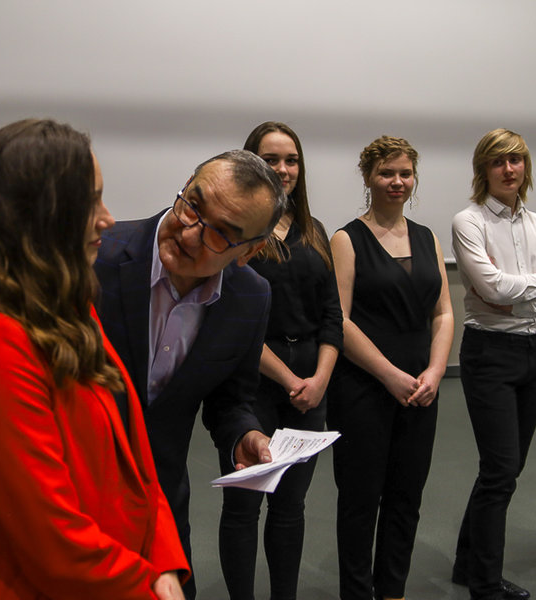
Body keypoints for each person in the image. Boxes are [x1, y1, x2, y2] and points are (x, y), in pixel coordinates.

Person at [0, 118, 189, 599]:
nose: (108, 219)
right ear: (42, 215)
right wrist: (148, 587)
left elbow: (137, 464)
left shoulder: (76, 313)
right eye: (90, 202)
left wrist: (163, 562)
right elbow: (52, 539)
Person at [94, 149, 286, 600]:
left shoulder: (250, 297)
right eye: (192, 205)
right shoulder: (97, 255)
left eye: (220, 234)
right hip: (72, 495)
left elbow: (231, 400)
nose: (189, 233)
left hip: (160, 503)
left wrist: (244, 435)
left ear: (250, 251)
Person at [216, 122, 343, 599]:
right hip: (252, 385)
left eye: (291, 160)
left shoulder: (315, 231)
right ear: (251, 163)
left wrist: (320, 379)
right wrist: (291, 378)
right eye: (271, 160)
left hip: (310, 387)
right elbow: (232, 320)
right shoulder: (238, 232)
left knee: (291, 507)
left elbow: (332, 315)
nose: (283, 169)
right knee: (244, 506)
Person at [327, 135, 454, 600]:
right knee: (360, 501)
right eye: (386, 173)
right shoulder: (346, 239)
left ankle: (393, 591)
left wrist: (435, 371)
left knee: (406, 497)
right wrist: (388, 374)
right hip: (363, 387)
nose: (396, 181)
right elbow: (339, 321)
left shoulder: (427, 237)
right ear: (368, 178)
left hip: (421, 387)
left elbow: (443, 313)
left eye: (405, 173)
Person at [451, 128, 536, 600]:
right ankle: (484, 584)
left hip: (533, 353)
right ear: (483, 169)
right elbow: (491, 288)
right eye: (498, 161)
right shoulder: (469, 221)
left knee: (505, 468)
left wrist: (517, 298)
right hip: (489, 353)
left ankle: (467, 563)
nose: (509, 169)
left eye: (516, 160)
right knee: (501, 470)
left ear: (525, 167)